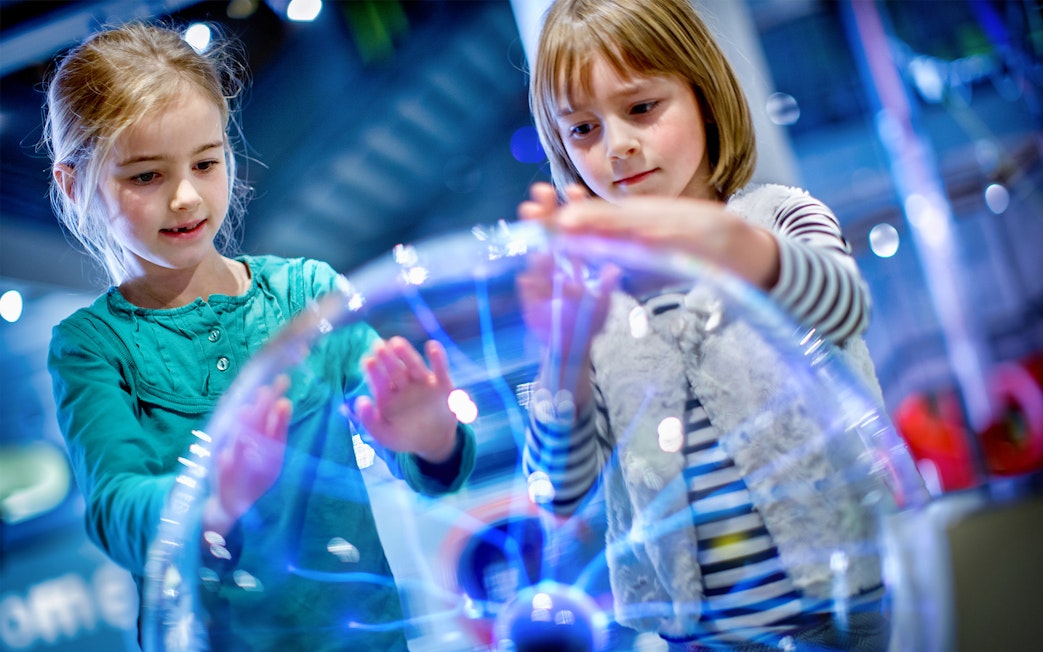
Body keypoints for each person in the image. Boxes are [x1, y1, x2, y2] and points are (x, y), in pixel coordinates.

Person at [43, 21, 475, 651]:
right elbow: (116, 510)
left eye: (205, 162)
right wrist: (213, 496)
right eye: (146, 176)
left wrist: (430, 437)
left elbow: (423, 460)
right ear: (75, 184)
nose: (187, 196)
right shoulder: (91, 347)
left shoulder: (304, 294)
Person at [517, 0, 891, 650]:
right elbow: (556, 490)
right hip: (703, 636)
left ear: (702, 93)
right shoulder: (587, 299)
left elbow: (843, 308)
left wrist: (720, 239)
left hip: (856, 595)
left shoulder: (780, 219)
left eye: (640, 108)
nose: (617, 145)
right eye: (581, 129)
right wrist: (564, 353)